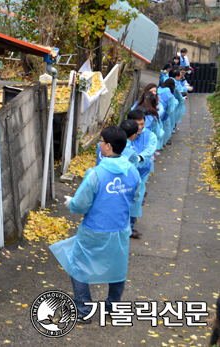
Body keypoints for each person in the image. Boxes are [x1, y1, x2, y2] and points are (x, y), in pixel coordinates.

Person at [50, 126, 141, 323]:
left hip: (94, 230)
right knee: (117, 271)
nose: (99, 144)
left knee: (79, 266)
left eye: (100, 141)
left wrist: (70, 203)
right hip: (119, 230)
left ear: (108, 146)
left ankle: (83, 311)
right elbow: (136, 198)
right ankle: (112, 308)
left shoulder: (96, 174)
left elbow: (82, 203)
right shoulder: (133, 172)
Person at [127, 108, 157, 238]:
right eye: (136, 124)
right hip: (125, 174)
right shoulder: (124, 134)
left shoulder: (149, 135)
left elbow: (150, 149)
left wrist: (139, 158)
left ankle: (131, 227)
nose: (139, 127)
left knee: (136, 200)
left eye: (142, 124)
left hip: (140, 174)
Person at [157, 79, 179, 147]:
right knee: (164, 128)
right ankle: (162, 143)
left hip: (154, 110)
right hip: (163, 113)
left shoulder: (158, 89)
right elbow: (170, 107)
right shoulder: (169, 94)